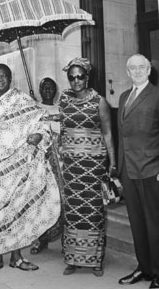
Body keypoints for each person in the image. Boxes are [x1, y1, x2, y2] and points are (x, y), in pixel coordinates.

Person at [0, 63, 61, 275]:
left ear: (10, 78)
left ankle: (17, 257)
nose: (0, 79)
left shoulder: (22, 99)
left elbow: (41, 123)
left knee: (18, 210)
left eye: (4, 76)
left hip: (21, 165)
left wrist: (38, 135)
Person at [59, 57, 116, 277]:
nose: (76, 81)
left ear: (87, 77)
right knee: (73, 211)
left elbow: (108, 132)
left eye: (80, 76)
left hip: (93, 165)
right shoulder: (63, 100)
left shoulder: (99, 101)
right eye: (71, 77)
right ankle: (73, 259)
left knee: (92, 211)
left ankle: (95, 260)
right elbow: (63, 129)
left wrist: (112, 162)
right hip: (72, 166)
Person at [117, 54, 159, 289]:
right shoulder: (124, 97)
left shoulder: (156, 95)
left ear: (149, 70)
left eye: (142, 67)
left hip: (151, 169)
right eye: (133, 68)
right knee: (137, 223)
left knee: (155, 224)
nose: (137, 71)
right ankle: (144, 267)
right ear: (127, 71)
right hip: (129, 171)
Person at [30, 77, 63, 255]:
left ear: (55, 90)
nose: (48, 90)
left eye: (51, 87)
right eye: (45, 88)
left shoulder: (62, 108)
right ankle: (40, 239)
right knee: (40, 200)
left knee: (61, 197)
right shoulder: (33, 108)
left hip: (60, 161)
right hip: (40, 161)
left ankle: (66, 238)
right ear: (40, 90)